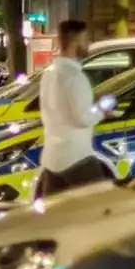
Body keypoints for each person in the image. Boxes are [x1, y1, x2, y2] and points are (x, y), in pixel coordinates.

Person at [36, 20, 116, 199]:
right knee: (101, 207)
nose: (87, 44)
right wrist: (103, 109)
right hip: (77, 158)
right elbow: (83, 118)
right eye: (85, 39)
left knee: (55, 216)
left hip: (52, 159)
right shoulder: (75, 78)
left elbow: (59, 108)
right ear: (75, 41)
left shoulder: (49, 74)